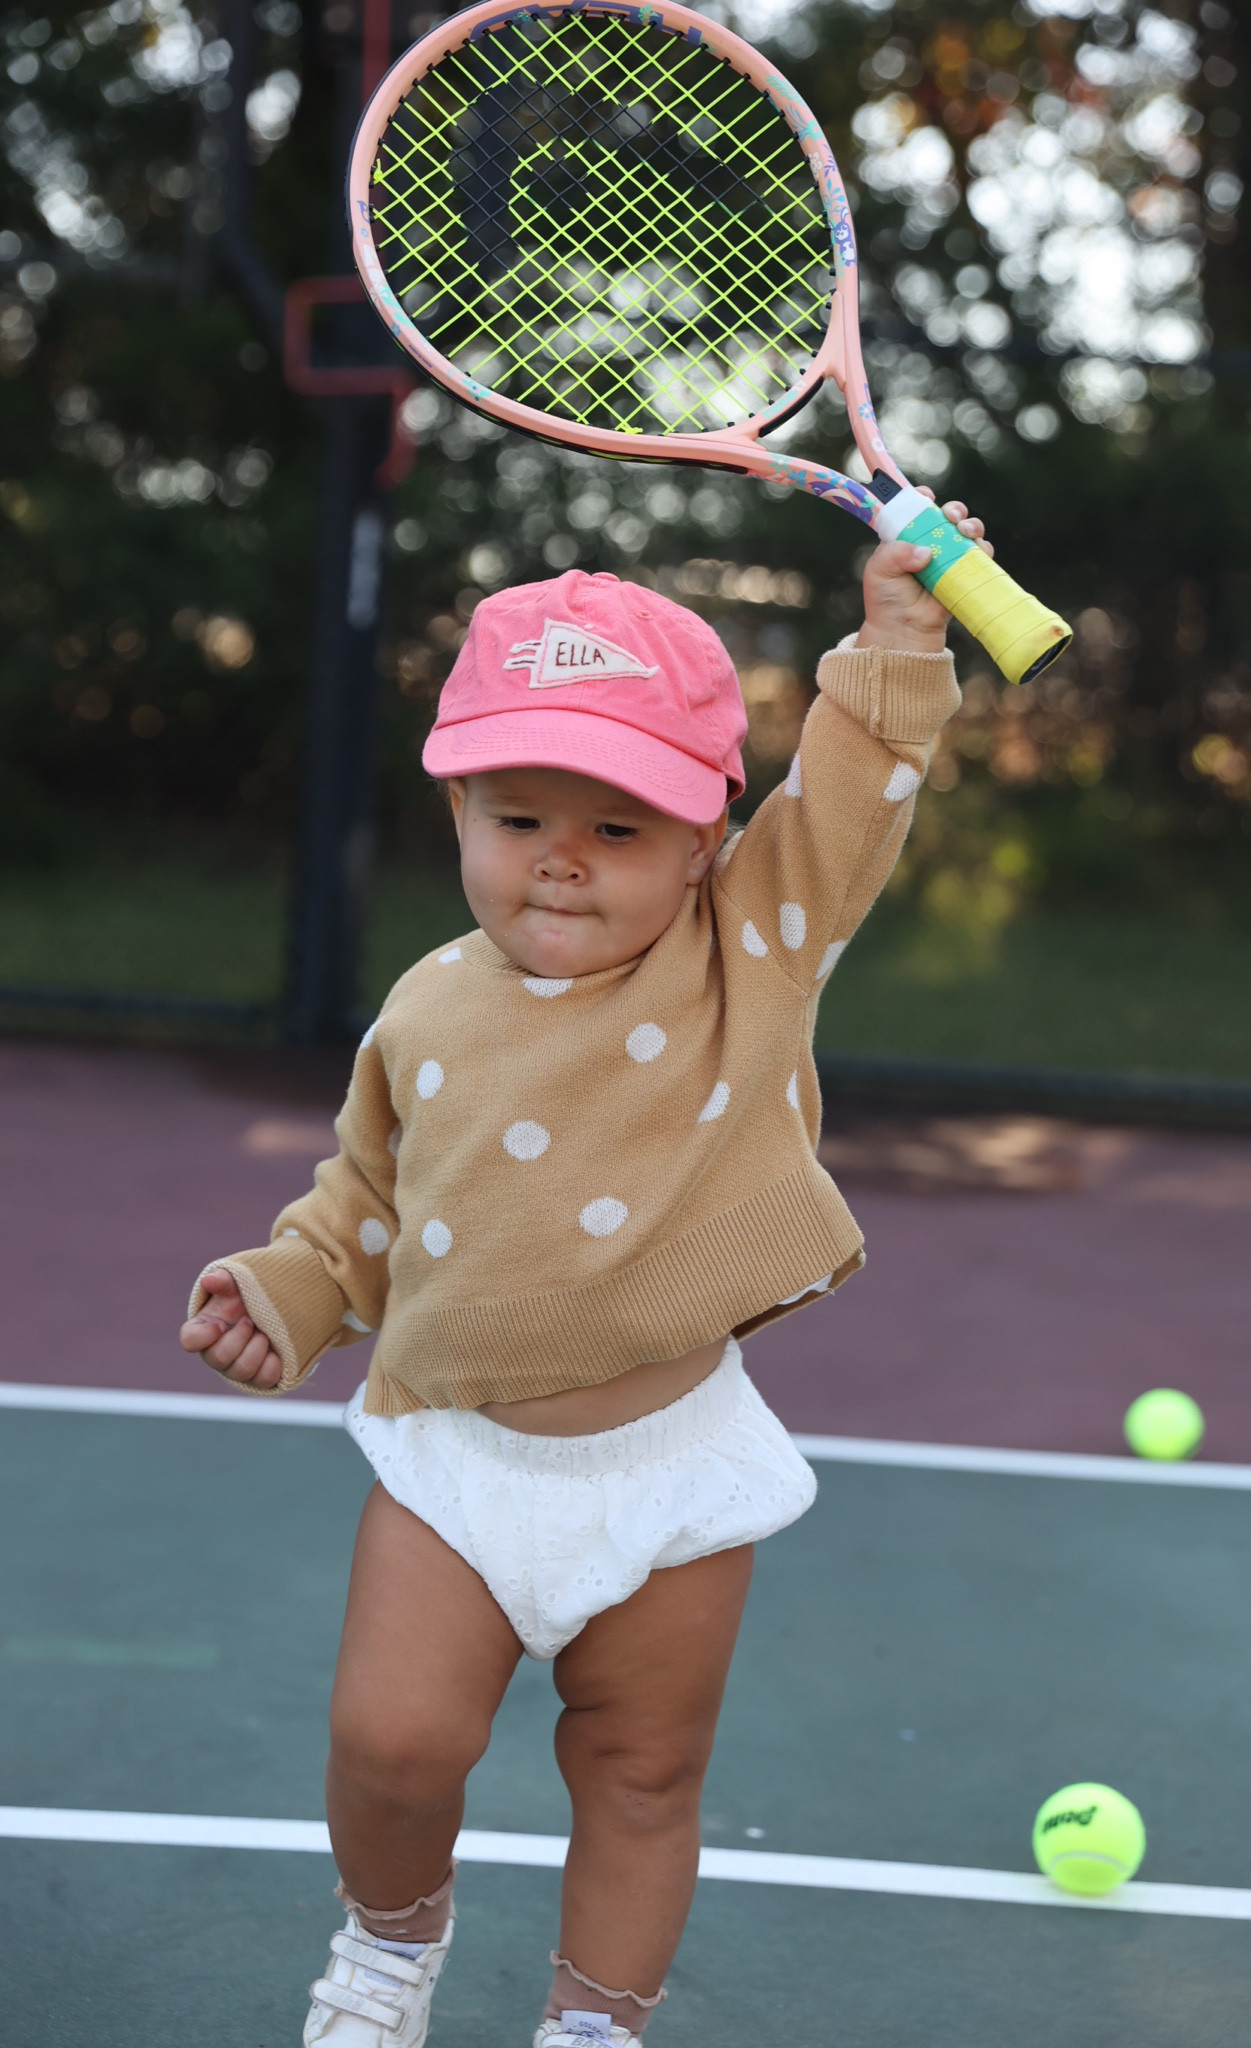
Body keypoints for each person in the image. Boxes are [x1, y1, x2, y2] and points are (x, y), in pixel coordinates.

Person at [180, 501, 984, 2047]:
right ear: (460, 814)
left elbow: (843, 804)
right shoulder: (423, 1010)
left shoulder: (745, 956)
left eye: (617, 828)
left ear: (703, 843)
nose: (561, 861)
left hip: (671, 1471)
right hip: (456, 1458)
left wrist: (895, 635)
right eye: (518, 815)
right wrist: (289, 1291)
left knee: (639, 1769)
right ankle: (388, 1943)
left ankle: (594, 2021)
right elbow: (367, 1199)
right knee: (394, 1744)